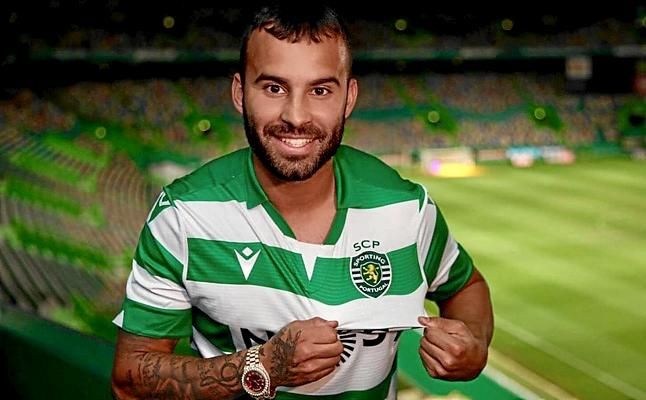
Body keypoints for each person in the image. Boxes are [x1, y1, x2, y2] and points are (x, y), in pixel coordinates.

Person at [111, 2, 493, 399]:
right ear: (240, 93)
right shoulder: (183, 215)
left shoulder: (405, 208)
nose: (296, 116)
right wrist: (263, 366)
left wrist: (474, 345)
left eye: (320, 90)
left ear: (349, 98)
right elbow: (128, 381)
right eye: (274, 88)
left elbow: (466, 286)